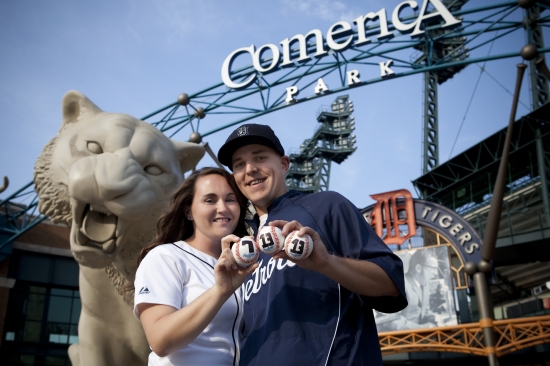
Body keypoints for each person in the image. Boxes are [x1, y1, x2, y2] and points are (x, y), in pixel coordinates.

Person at [217, 123, 408, 365]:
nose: (250, 169)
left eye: (260, 157)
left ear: (284, 164)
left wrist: (326, 263)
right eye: (239, 164)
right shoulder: (244, 247)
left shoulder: (326, 206)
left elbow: (391, 285)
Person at [133, 167, 258, 365]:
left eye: (230, 199)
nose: (223, 208)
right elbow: (160, 341)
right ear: (188, 211)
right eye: (210, 200)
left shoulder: (245, 265)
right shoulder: (165, 257)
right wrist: (220, 291)